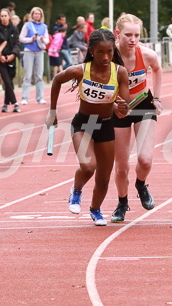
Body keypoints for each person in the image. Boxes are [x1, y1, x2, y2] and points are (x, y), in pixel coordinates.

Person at [46, 29, 129, 226]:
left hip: (106, 126)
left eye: (109, 52)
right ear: (91, 51)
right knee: (88, 166)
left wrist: (123, 107)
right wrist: (52, 112)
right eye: (100, 52)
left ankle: (95, 209)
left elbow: (123, 108)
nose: (106, 57)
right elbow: (57, 80)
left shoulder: (120, 72)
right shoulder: (81, 70)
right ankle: (76, 190)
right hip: (83, 123)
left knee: (103, 178)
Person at [110, 14, 163, 222]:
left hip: (143, 104)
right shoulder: (108, 55)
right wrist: (113, 105)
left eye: (137, 35)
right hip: (119, 109)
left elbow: (158, 70)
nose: (133, 39)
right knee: (121, 167)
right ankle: (122, 203)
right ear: (117, 34)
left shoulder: (147, 55)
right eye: (128, 35)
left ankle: (141, 184)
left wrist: (157, 98)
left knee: (145, 159)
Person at [19, 7, 49, 105]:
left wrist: (42, 39)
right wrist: (30, 39)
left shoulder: (44, 26)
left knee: (39, 75)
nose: (37, 15)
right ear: (32, 15)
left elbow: (47, 40)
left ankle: (40, 98)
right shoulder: (27, 25)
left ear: (41, 16)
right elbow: (21, 38)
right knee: (27, 75)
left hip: (39, 51)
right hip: (29, 51)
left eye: (39, 14)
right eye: (35, 13)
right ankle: (24, 98)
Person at [0, 8, 21, 113]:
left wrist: (13, 55)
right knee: (6, 80)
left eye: (5, 16)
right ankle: (15, 103)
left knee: (9, 81)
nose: (3, 18)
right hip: (0, 58)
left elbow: (17, 43)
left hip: (11, 58)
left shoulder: (14, 29)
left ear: (9, 16)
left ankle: (5, 104)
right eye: (2, 16)